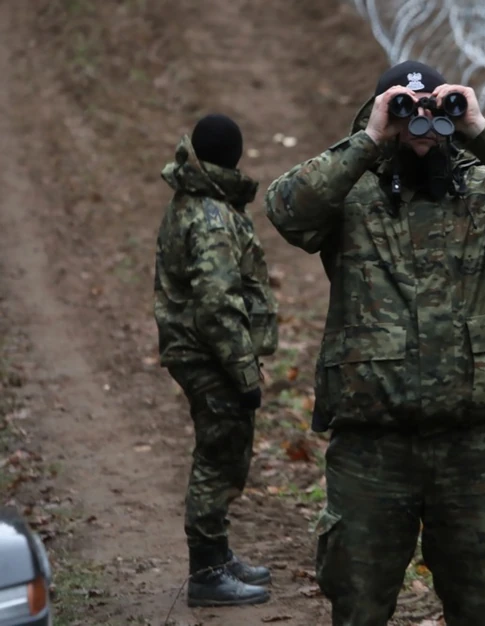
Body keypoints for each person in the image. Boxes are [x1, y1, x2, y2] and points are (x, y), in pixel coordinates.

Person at [265, 60, 485, 625]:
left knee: (477, 605)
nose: (420, 129)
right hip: (371, 446)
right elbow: (288, 210)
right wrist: (369, 139)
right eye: (404, 112)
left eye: (432, 112)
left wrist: (479, 129)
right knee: (359, 606)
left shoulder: (483, 190)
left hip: (467, 445)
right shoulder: (351, 193)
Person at [153, 113, 279, 607]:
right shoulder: (210, 216)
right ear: (231, 157)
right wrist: (244, 372)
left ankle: (218, 555)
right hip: (209, 355)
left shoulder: (199, 201)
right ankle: (206, 573)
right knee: (217, 455)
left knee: (224, 450)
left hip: (203, 351)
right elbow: (217, 304)